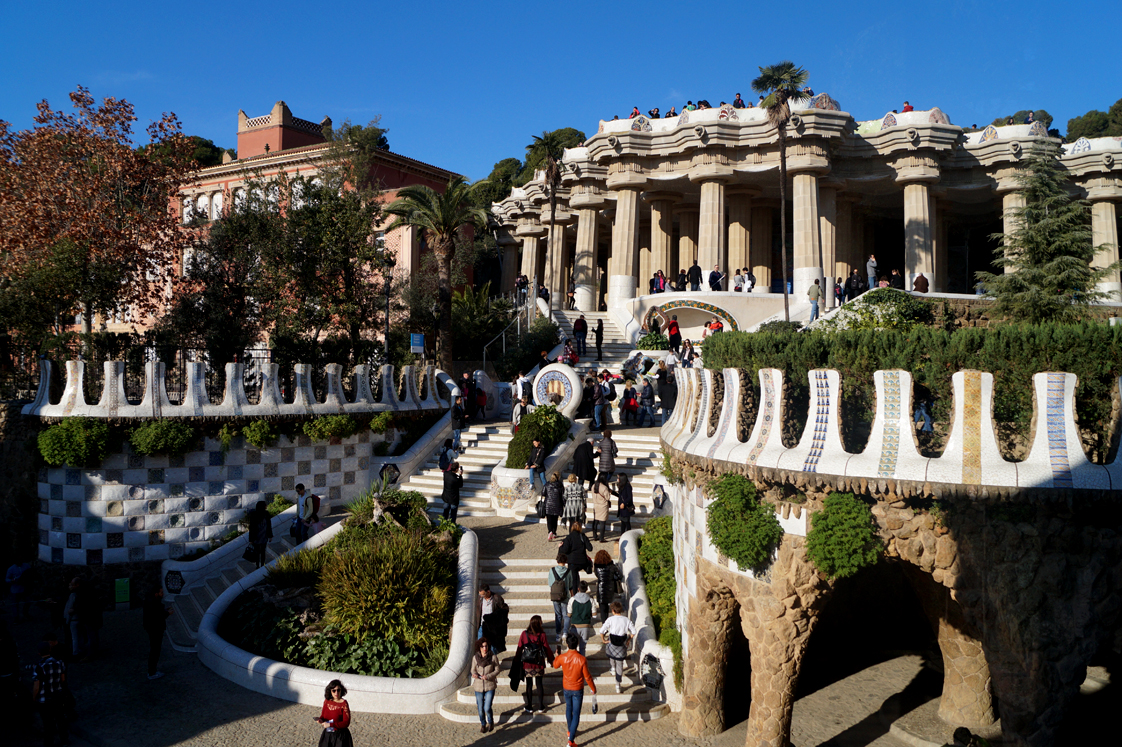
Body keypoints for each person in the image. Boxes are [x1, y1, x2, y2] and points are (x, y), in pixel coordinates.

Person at [554, 631, 597, 747]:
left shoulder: (563, 657)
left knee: (569, 708)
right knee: (576, 713)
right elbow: (587, 676)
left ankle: (570, 731)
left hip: (566, 687)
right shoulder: (582, 659)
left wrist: (557, 655)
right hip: (578, 688)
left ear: (567, 645)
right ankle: (571, 740)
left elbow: (555, 665)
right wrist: (593, 688)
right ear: (577, 644)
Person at [514, 615, 553, 713]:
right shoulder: (542, 635)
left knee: (529, 684)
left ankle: (529, 706)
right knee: (539, 684)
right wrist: (551, 659)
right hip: (538, 663)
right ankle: (541, 706)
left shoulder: (524, 634)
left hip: (527, 664)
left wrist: (516, 660)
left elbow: (519, 648)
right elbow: (547, 648)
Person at [32, 641, 68, 747]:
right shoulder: (59, 662)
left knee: (48, 723)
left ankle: (49, 742)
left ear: (39, 653)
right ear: (50, 650)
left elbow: (36, 686)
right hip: (57, 696)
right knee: (60, 719)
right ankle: (64, 740)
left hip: (45, 700)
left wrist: (34, 698)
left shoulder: (39, 667)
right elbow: (63, 679)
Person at [599, 601, 637, 693]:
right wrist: (628, 640)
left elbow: (601, 631)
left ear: (613, 610)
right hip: (622, 644)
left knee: (611, 656)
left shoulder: (610, 620)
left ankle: (612, 668)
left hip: (612, 642)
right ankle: (618, 685)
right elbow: (634, 631)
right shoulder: (626, 620)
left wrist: (604, 640)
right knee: (620, 664)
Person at [142, 585, 171, 680]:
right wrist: (167, 613)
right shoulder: (153, 604)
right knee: (155, 650)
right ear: (156, 594)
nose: (162, 594)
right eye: (161, 592)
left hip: (152, 628)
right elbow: (157, 617)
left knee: (154, 650)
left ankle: (152, 670)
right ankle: (152, 672)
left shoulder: (150, 601)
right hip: (155, 629)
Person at [470, 638, 499, 733]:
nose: (484, 648)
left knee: (487, 707)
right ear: (479, 647)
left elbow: (497, 670)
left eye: (486, 646)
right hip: (478, 686)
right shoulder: (475, 658)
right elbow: (472, 670)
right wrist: (474, 674)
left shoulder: (493, 657)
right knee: (480, 708)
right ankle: (483, 724)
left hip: (489, 685)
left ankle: (490, 721)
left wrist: (488, 676)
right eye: (482, 646)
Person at [548, 554, 577, 644]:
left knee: (558, 615)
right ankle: (565, 632)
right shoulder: (568, 571)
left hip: (555, 596)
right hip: (565, 597)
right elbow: (571, 585)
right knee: (566, 615)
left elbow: (550, 584)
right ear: (565, 561)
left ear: (557, 560)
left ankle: (558, 634)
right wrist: (572, 596)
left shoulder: (552, 570)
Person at [316, 680, 353, 747]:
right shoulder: (327, 702)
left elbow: (346, 722)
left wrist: (330, 724)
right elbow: (323, 716)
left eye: (338, 690)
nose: (336, 692)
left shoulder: (343, 704)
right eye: (334, 690)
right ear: (330, 691)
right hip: (328, 734)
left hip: (340, 736)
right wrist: (320, 720)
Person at [477, 583, 509, 652]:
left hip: (493, 627)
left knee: (493, 648)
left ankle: (492, 660)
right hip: (483, 625)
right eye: (480, 595)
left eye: (483, 595)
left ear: (488, 592)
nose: (481, 596)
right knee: (480, 644)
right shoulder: (480, 599)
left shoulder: (497, 598)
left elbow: (504, 610)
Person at [566, 581, 595, 655]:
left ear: (578, 589)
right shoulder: (591, 600)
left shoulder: (572, 599)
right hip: (586, 626)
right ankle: (582, 662)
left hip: (575, 626)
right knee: (583, 647)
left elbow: (569, 614)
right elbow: (594, 615)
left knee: (573, 647)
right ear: (587, 589)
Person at [247, 500, 273, 569]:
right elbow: (252, 527)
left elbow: (269, 525)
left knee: (261, 551)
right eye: (265, 505)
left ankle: (261, 564)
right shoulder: (255, 514)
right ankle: (259, 565)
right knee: (259, 551)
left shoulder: (265, 514)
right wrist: (251, 539)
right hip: (258, 536)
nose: (266, 506)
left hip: (261, 536)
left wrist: (270, 536)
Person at [543, 471, 565, 541]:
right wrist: (564, 504)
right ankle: (554, 532)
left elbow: (543, 493)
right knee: (555, 520)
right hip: (557, 504)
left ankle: (550, 531)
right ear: (558, 477)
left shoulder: (547, 484)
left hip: (548, 504)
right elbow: (563, 496)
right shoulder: (560, 485)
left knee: (549, 520)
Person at [590, 478, 612, 542]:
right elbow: (607, 497)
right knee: (602, 523)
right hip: (603, 506)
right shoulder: (604, 487)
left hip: (596, 505)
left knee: (595, 521)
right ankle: (601, 538)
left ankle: (594, 536)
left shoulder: (593, 486)